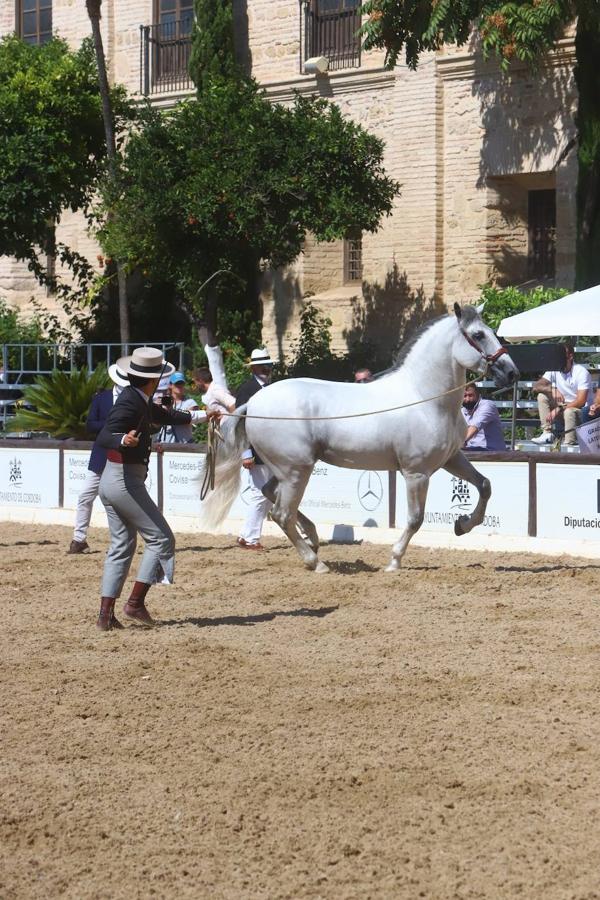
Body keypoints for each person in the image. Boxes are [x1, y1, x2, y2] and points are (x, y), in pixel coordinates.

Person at [95, 347, 195, 632]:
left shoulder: (137, 398)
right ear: (153, 380)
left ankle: (106, 615)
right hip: (125, 481)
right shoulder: (130, 402)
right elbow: (103, 434)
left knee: (121, 546)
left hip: (113, 480)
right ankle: (135, 603)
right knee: (162, 539)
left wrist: (200, 415)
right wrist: (121, 439)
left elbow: (167, 416)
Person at [68, 362, 129, 554]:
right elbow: (90, 425)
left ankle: (123, 540)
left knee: (123, 500)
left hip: (123, 455)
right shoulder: (101, 398)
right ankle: (79, 539)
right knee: (85, 495)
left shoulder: (133, 399)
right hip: (102, 453)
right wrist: (112, 424)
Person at [235, 348, 275, 551]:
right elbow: (239, 424)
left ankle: (246, 535)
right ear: (255, 368)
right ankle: (250, 538)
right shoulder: (247, 389)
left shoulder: (270, 388)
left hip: (268, 450)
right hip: (255, 450)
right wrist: (245, 452)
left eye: (268, 365)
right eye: (263, 366)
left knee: (264, 494)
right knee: (260, 493)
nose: (267, 369)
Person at [531, 344, 593, 445]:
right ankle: (547, 433)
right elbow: (536, 386)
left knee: (569, 411)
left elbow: (581, 401)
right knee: (542, 396)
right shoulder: (554, 369)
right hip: (563, 408)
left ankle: (569, 442)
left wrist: (558, 408)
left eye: (560, 355)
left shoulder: (581, 372)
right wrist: (552, 389)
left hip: (580, 412)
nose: (557, 357)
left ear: (570, 356)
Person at [157, 371, 200, 443]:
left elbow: (188, 420)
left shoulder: (191, 402)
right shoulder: (163, 401)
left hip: (184, 445)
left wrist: (168, 410)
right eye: (177, 383)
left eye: (181, 383)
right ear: (170, 385)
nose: (180, 386)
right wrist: (157, 408)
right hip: (164, 444)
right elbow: (156, 424)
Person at [193, 342, 236, 414]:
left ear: (200, 381)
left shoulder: (215, 391)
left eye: (195, 382)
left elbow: (233, 404)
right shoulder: (211, 391)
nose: (195, 385)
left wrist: (230, 420)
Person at [461, 384, 506, 451]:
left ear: (478, 395)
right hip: (472, 449)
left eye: (470, 395)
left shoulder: (488, 405)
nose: (467, 399)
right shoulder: (462, 411)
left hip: (492, 451)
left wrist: (462, 441)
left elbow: (476, 425)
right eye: (464, 396)